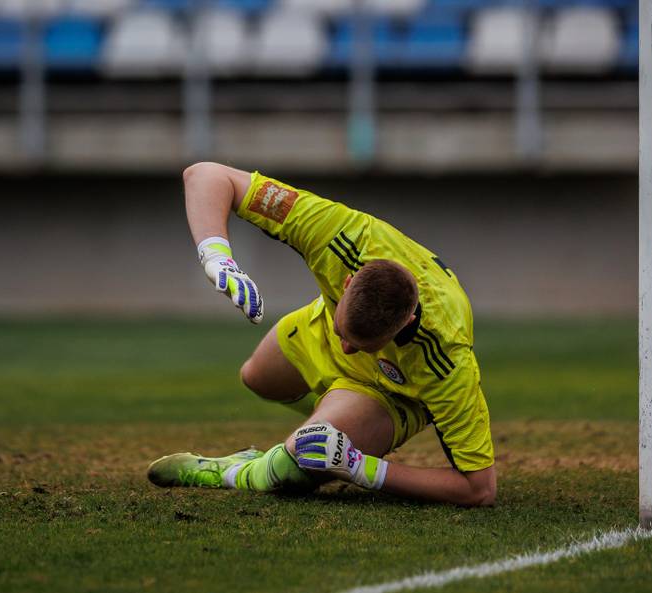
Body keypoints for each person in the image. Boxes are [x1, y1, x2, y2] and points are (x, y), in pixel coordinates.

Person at [147, 163, 496, 506]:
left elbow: (479, 489)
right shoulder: (340, 234)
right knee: (256, 377)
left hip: (391, 391)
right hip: (318, 330)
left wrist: (360, 467)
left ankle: (234, 472)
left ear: (403, 326)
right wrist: (218, 258)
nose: (347, 349)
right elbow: (205, 174)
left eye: (357, 344)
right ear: (347, 283)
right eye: (344, 332)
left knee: (296, 462)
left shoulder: (446, 360)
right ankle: (333, 419)